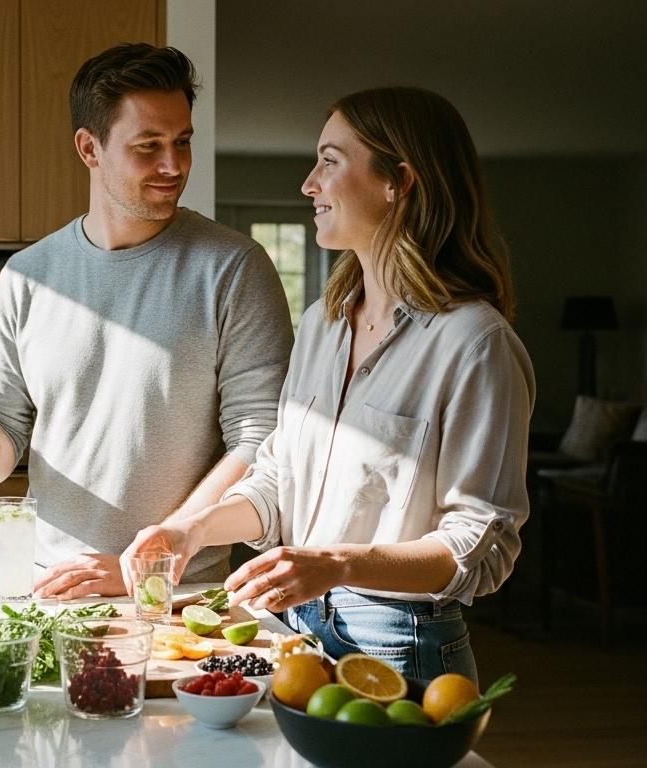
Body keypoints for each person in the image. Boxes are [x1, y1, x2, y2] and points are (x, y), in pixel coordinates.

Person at [122, 86, 535, 682]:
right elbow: (277, 478)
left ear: (399, 181)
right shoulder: (323, 322)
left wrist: (336, 564)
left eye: (329, 162)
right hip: (292, 631)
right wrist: (190, 529)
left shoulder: (474, 343)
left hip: (399, 645)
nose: (308, 184)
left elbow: (481, 547)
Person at [0, 43, 293, 597]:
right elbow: (0, 424)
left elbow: (261, 438)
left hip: (180, 595)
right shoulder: (28, 276)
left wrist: (155, 555)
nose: (173, 165)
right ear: (89, 148)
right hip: (52, 590)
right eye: (148, 147)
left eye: (182, 142)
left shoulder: (234, 269)